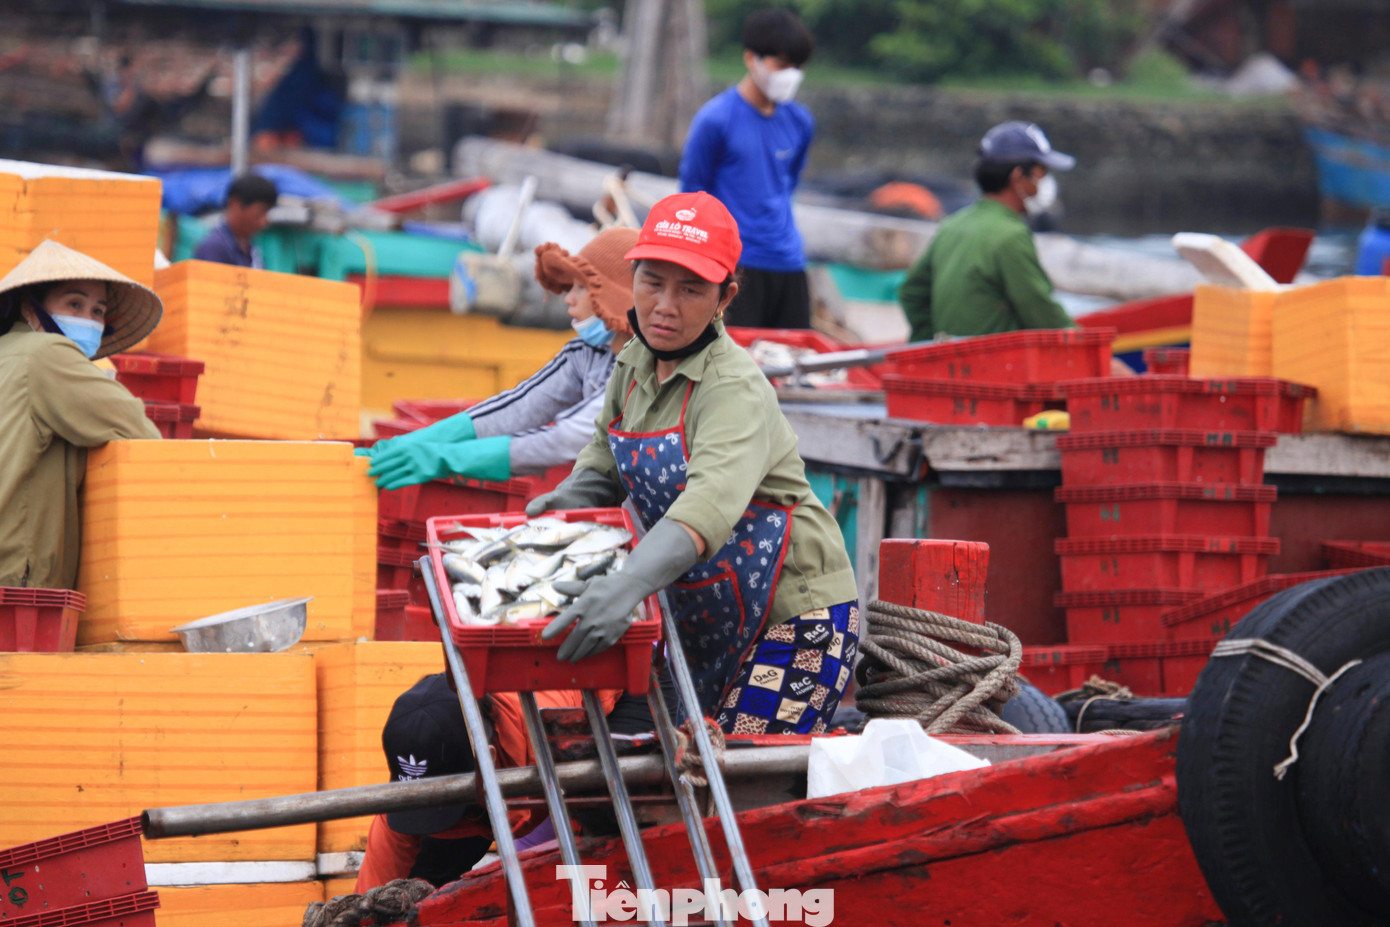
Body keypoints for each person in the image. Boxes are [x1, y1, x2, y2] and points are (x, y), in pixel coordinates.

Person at [528, 192, 859, 736]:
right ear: (633, 277)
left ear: (724, 297)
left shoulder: (732, 388)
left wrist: (629, 582)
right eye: (653, 282)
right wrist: (557, 508)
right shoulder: (631, 366)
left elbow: (704, 509)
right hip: (705, 614)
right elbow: (601, 468)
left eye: (690, 290)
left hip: (796, 623)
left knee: (738, 779)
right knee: (662, 761)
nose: (665, 305)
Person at [360, 228, 640, 490]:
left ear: (614, 298)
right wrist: (413, 443)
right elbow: (520, 405)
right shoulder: (588, 353)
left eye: (582, 287)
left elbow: (565, 439)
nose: (568, 298)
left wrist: (445, 458)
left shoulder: (645, 368)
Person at [355, 674, 622, 891]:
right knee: (415, 884)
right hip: (495, 794)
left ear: (489, 759)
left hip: (620, 692)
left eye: (446, 799)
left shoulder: (546, 731)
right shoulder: (411, 793)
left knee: (604, 836)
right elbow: (374, 893)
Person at [0, 240, 163, 590]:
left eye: (98, 312)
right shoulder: (48, 354)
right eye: (74, 304)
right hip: (17, 583)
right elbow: (141, 431)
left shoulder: (10, 353)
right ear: (30, 308)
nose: (88, 320)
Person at [678, 9, 816, 330]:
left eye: (796, 67)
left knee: (793, 364)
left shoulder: (800, 121)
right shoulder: (715, 119)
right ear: (751, 58)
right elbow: (692, 196)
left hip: (789, 261)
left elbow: (788, 183)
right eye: (782, 65)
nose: (790, 75)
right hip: (736, 265)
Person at [898, 121, 1077, 342]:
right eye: (1041, 172)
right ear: (1018, 177)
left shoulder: (953, 224)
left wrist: (931, 345)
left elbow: (912, 293)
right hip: (998, 368)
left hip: (952, 363)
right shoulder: (1010, 236)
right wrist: (1093, 352)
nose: (1045, 182)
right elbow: (1041, 312)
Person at [193, 173, 279, 269]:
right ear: (235, 204)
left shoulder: (251, 250)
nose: (264, 221)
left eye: (267, 213)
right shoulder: (215, 248)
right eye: (260, 212)